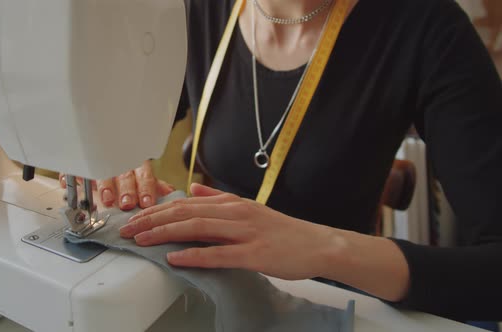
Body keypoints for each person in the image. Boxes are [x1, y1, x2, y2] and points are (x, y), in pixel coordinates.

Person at [64, 0, 502, 322]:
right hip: (219, 285)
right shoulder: (195, 10)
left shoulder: (427, 28)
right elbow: (128, 119)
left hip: (337, 297)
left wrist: (327, 247)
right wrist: (110, 155)